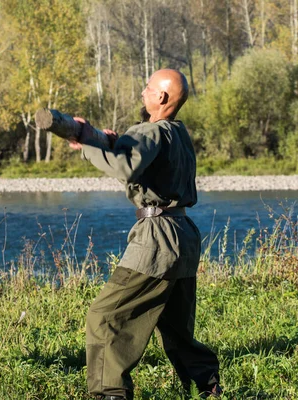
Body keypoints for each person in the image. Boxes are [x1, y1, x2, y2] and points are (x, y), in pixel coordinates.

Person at [68, 69, 222, 400]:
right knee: (175, 326)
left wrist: (85, 143)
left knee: (105, 317)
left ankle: (110, 393)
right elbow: (142, 156)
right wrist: (111, 142)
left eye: (148, 88)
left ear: (161, 97)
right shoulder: (178, 133)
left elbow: (125, 167)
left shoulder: (152, 130)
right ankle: (208, 385)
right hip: (184, 236)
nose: (142, 92)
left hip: (158, 239)